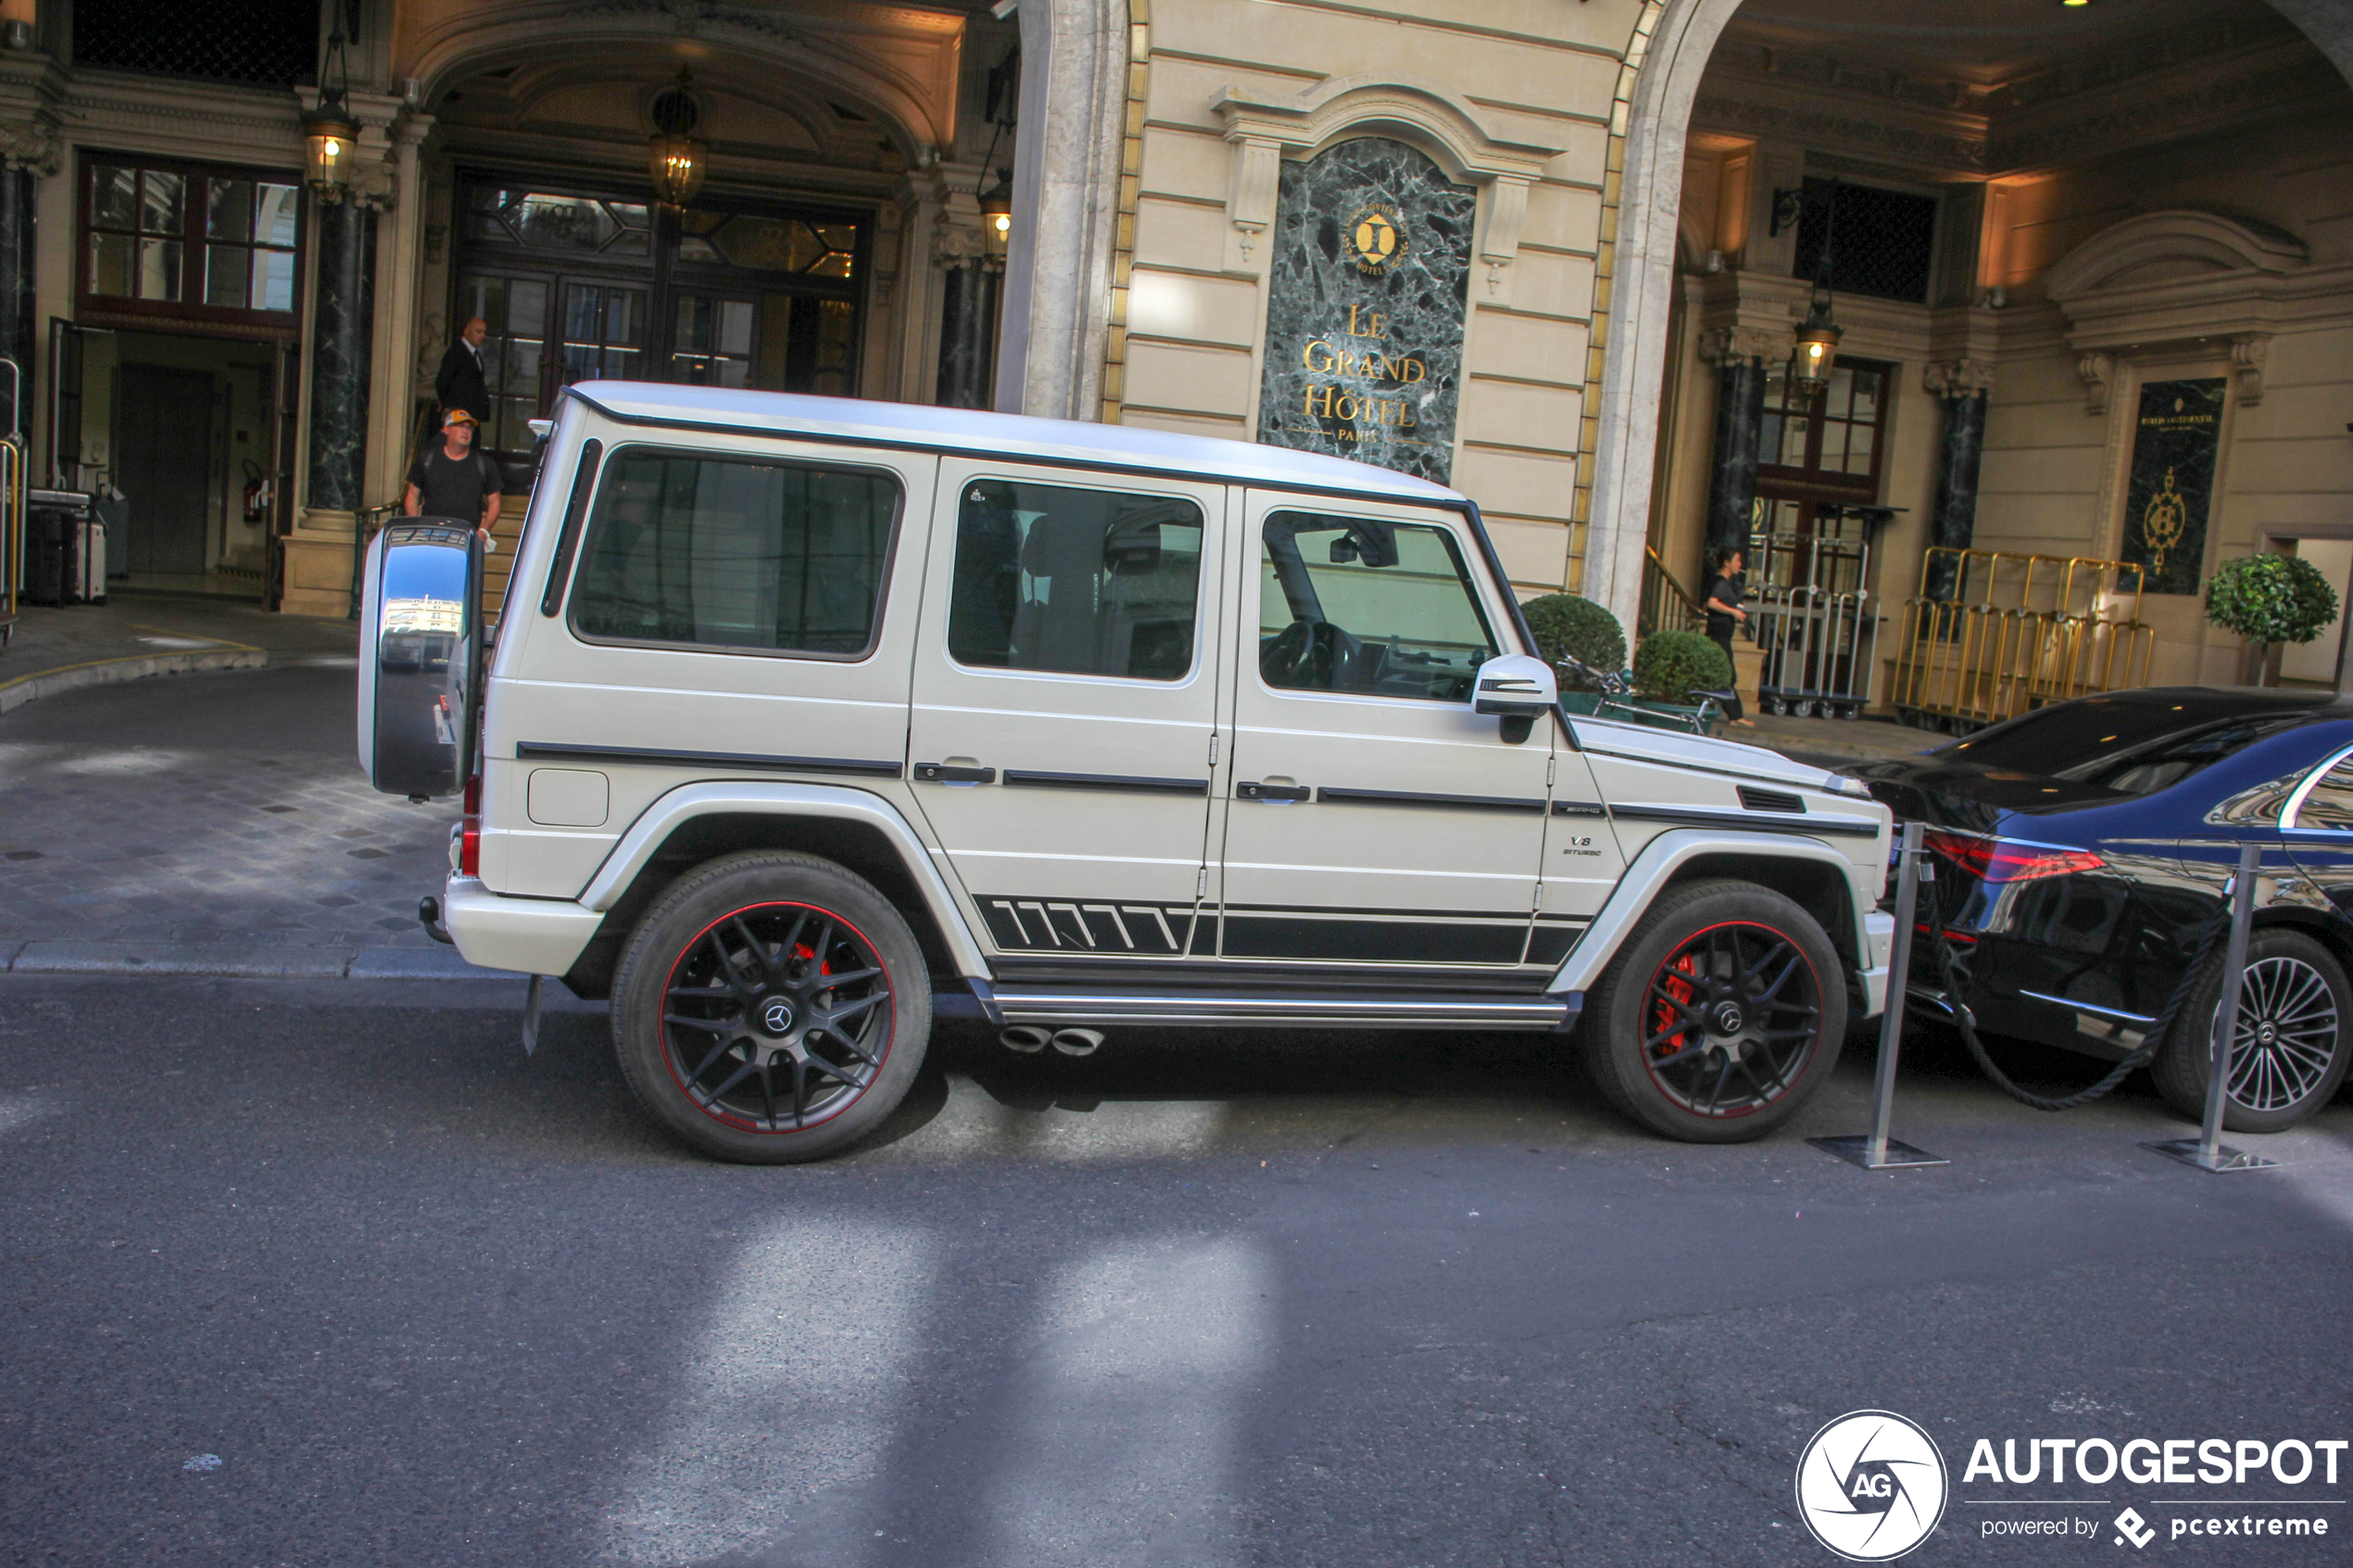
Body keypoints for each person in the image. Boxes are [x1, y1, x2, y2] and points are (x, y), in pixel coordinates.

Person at [404, 409, 504, 548]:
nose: (466, 431)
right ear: (446, 429)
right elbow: (412, 496)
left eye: (469, 427)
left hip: (466, 540)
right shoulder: (428, 460)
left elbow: (495, 502)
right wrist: (417, 527)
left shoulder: (484, 463)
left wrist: (484, 531)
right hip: (430, 538)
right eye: (460, 426)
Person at [1702, 546, 1753, 725]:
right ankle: (1735, 715)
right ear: (1727, 562)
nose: (1740, 564)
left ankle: (1735, 715)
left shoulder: (1725, 583)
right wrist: (1733, 612)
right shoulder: (1720, 582)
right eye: (1737, 560)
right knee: (1728, 675)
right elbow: (1712, 603)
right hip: (1718, 636)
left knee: (1726, 675)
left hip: (1723, 635)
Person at [434, 316, 492, 433]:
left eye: (484, 332)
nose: (482, 336)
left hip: (472, 417)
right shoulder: (456, 352)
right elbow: (442, 382)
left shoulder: (476, 355)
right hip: (458, 417)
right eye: (478, 331)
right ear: (466, 331)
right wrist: (449, 406)